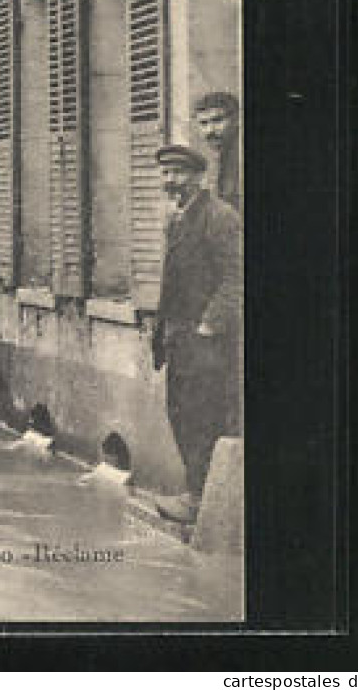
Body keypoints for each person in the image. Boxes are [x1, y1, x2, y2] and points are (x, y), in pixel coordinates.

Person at [149, 144, 243, 524]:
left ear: (199, 176)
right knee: (180, 413)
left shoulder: (219, 217)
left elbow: (237, 277)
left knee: (203, 417)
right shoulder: (179, 219)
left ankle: (199, 499)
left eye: (179, 174)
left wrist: (210, 324)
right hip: (180, 339)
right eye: (166, 173)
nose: (171, 181)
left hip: (207, 341)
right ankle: (195, 493)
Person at [193, 91, 242, 214]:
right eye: (203, 123)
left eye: (218, 120)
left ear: (236, 120)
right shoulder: (217, 157)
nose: (210, 131)